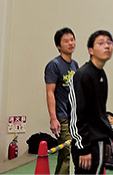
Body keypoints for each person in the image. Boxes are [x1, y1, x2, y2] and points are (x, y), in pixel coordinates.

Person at [70, 30, 113, 175]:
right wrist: (83, 148)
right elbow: (77, 114)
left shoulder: (101, 74)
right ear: (91, 50)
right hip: (87, 145)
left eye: (109, 42)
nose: (107, 46)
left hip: (98, 142)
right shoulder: (83, 75)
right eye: (101, 43)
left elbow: (99, 112)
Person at [45, 27, 79, 175]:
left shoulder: (75, 65)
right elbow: (50, 92)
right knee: (65, 153)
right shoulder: (54, 65)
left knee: (78, 151)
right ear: (59, 46)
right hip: (62, 116)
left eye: (72, 40)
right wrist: (54, 118)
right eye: (66, 41)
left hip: (75, 117)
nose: (70, 43)